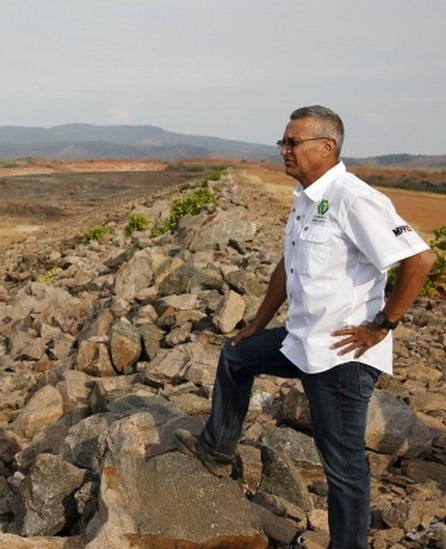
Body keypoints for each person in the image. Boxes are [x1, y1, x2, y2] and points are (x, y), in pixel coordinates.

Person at [174, 105, 437, 548]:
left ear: (327, 147)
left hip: (340, 354)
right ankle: (216, 450)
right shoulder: (307, 198)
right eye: (284, 142)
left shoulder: (355, 198)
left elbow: (420, 259)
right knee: (236, 356)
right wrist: (257, 323)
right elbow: (288, 265)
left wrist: (382, 325)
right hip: (302, 341)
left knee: (343, 466)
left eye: (292, 142)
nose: (284, 150)